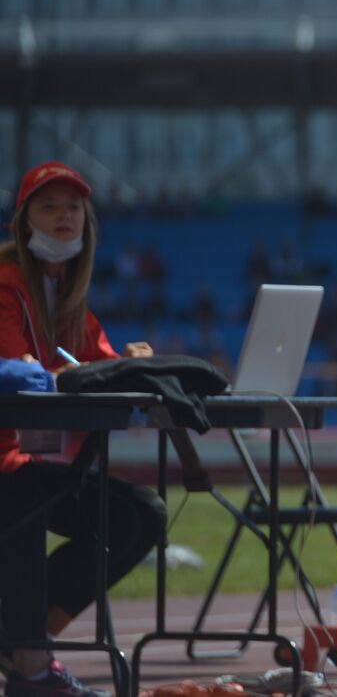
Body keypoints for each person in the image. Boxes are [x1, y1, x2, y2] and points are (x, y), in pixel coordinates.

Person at [0, 163, 165, 697]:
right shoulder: (4, 284)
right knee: (25, 495)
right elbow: (18, 373)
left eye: (73, 206)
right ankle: (30, 666)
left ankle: (24, 643)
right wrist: (73, 373)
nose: (64, 216)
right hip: (7, 466)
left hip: (26, 464)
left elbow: (98, 364)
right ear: (23, 222)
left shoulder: (68, 294)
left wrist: (131, 361)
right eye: (48, 206)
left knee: (140, 515)